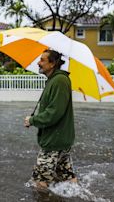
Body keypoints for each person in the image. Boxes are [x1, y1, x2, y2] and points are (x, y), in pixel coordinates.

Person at [24, 48, 77, 189]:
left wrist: (32, 120)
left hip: (54, 141)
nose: (38, 63)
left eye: (42, 60)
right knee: (67, 177)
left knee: (40, 181)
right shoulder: (54, 80)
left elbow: (54, 113)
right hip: (60, 139)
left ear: (52, 63)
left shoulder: (59, 81)